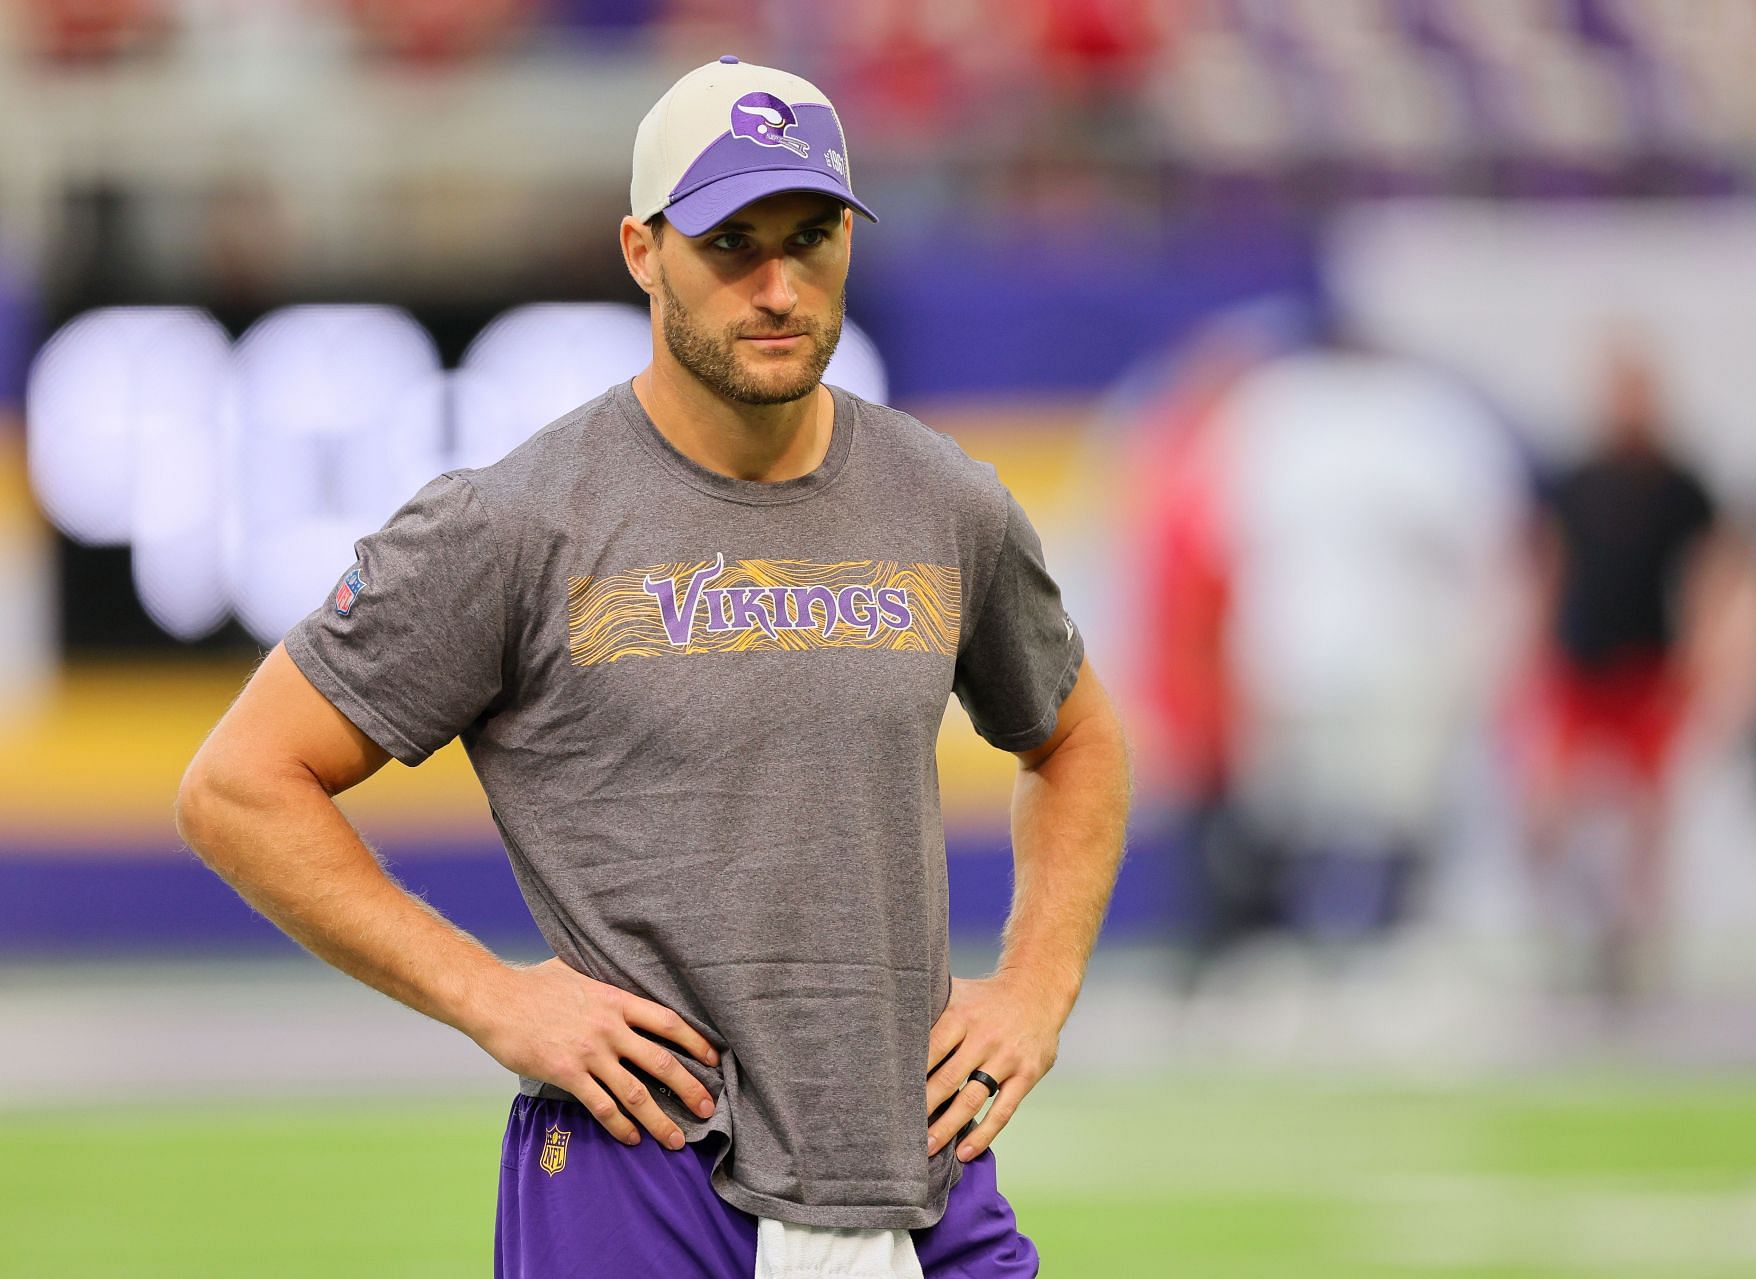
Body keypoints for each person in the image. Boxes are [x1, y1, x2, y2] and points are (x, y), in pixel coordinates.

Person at [175, 56, 1130, 1279]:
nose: (779, 285)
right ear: (642, 252)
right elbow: (240, 785)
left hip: (920, 1161)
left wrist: (1034, 993)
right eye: (730, 242)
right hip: (645, 1167)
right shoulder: (516, 521)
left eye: (812, 235)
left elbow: (1078, 738)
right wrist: (493, 997)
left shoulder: (947, 503)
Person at [1526, 336, 1726, 1002]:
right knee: (1551, 813)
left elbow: (1715, 571)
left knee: (1646, 817)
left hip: (1649, 664)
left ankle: (1636, 942)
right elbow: (1549, 564)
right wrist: (1534, 645)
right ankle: (1581, 922)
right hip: (1581, 664)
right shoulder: (1577, 480)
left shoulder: (1680, 484)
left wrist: (1705, 652)